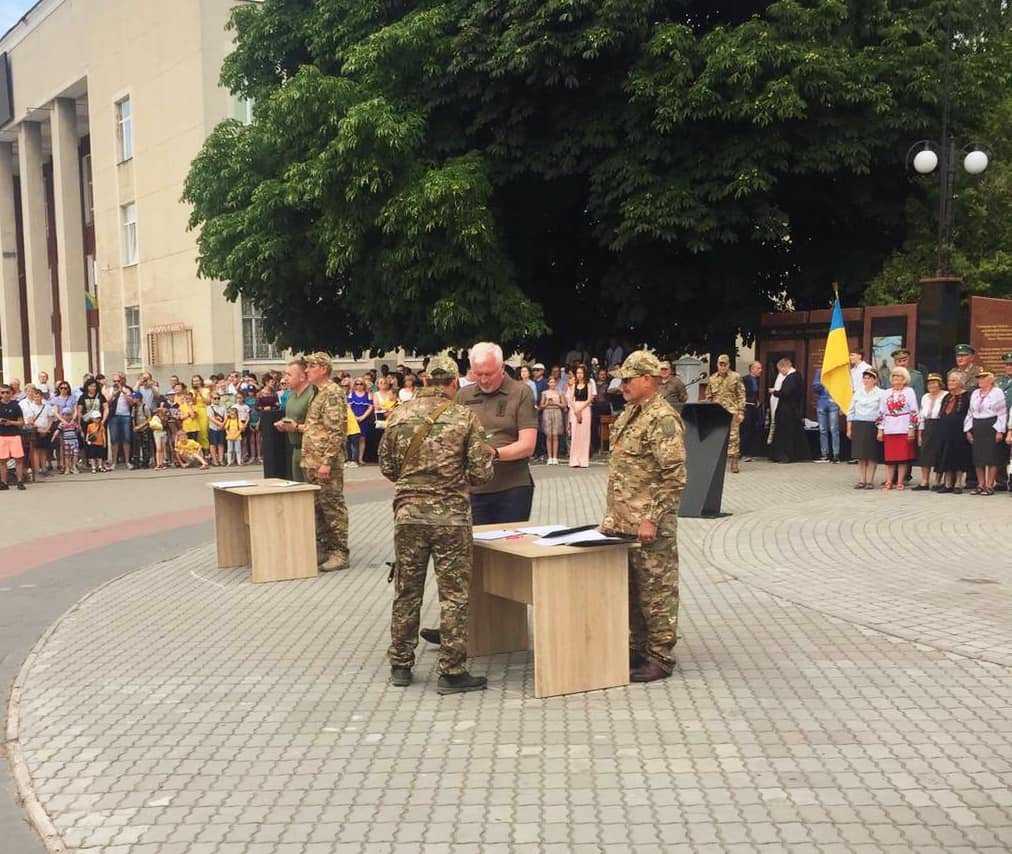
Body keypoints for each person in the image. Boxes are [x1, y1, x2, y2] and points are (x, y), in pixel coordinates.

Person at [380, 354, 495, 694]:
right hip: (451, 519)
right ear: (453, 383)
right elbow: (480, 473)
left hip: (408, 516)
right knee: (454, 596)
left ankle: (401, 664)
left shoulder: (398, 415)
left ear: (426, 381)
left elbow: (387, 466)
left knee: (407, 590)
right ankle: (452, 671)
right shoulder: (464, 418)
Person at [419, 341, 538, 648]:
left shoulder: (520, 392)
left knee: (508, 561)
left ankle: (505, 630)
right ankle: (458, 629)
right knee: (465, 562)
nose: (484, 380)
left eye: (489, 373)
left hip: (511, 487)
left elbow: (527, 445)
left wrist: (492, 453)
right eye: (478, 373)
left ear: (502, 367)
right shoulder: (463, 395)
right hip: (472, 490)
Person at [600, 351, 686, 683]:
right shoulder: (630, 415)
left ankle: (660, 656)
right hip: (623, 523)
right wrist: (611, 518)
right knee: (632, 590)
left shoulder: (662, 418)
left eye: (628, 379)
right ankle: (637, 648)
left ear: (647, 380)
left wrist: (650, 518)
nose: (622, 385)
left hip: (650, 525)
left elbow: (673, 477)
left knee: (656, 590)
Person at [298, 352, 349, 572]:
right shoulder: (318, 393)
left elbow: (336, 430)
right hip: (313, 461)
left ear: (323, 369)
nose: (307, 370)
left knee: (332, 507)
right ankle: (325, 549)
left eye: (311, 366)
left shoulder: (332, 393)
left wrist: (327, 461)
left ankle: (339, 553)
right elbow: (317, 427)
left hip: (325, 463)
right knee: (318, 507)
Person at [964, 369, 1007, 496]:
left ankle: (989, 485)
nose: (980, 380)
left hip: (991, 425)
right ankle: (980, 484)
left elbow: (1002, 412)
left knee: (991, 456)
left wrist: (1000, 430)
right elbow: (970, 413)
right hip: (977, 425)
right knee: (978, 457)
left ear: (991, 380)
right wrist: (968, 430)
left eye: (983, 378)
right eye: (979, 378)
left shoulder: (997, 392)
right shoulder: (975, 393)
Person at [876, 367, 919, 490]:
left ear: (905, 379)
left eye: (900, 378)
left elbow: (914, 411)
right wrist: (880, 429)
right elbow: (881, 412)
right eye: (894, 378)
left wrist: (911, 428)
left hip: (903, 427)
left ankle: (900, 481)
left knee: (902, 458)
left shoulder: (909, 391)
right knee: (890, 458)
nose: (897, 380)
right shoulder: (886, 392)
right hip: (889, 428)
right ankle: (889, 481)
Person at [273, 358, 315, 482]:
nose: (285, 378)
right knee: (298, 492)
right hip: (296, 449)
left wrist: (296, 427)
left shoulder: (312, 395)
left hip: (311, 451)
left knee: (311, 492)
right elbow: (293, 418)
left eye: (289, 375)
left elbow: (317, 427)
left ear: (302, 377)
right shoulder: (291, 396)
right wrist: (283, 424)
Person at [706, 355, 746, 472]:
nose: (722, 366)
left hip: (732, 412)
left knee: (733, 438)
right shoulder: (712, 378)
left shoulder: (736, 377)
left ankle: (734, 463)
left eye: (725, 364)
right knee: (716, 437)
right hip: (716, 412)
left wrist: (741, 412)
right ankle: (717, 464)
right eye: (720, 364)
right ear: (717, 365)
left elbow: (741, 395)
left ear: (729, 365)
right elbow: (709, 396)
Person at [846, 368, 884, 489]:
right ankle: (861, 480)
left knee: (872, 455)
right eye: (865, 378)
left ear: (875, 380)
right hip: (859, 424)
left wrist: (880, 430)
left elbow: (882, 413)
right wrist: (849, 428)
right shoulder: (858, 392)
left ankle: (870, 481)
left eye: (869, 378)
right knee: (861, 455)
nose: (866, 380)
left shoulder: (881, 393)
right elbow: (851, 411)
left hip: (873, 425)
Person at [936, 371, 972, 493]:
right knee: (946, 456)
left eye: (953, 380)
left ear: (961, 382)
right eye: (949, 380)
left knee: (958, 456)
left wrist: (969, 430)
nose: (950, 383)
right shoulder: (947, 396)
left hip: (959, 432)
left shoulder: (967, 396)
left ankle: (958, 484)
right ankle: (947, 484)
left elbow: (970, 414)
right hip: (945, 431)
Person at [768, 358, 809, 463]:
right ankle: (794, 455)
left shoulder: (791, 378)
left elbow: (786, 393)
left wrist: (775, 392)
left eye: (780, 370)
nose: (780, 373)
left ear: (784, 367)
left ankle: (785, 455)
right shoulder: (797, 375)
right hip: (793, 409)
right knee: (792, 433)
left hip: (787, 410)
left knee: (785, 434)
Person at [915, 373, 947, 491]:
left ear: (940, 384)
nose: (931, 385)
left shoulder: (946, 395)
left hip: (941, 425)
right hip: (927, 426)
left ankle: (938, 481)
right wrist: (919, 434)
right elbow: (921, 416)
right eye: (929, 383)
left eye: (934, 383)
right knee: (925, 453)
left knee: (940, 453)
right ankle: (924, 481)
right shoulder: (925, 397)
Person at [77, 378, 108, 474]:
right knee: (89, 443)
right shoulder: (83, 397)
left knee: (101, 443)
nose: (92, 388)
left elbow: (106, 408)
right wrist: (79, 424)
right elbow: (79, 411)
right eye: (90, 386)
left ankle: (101, 464)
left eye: (94, 386)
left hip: (99, 423)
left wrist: (103, 420)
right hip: (87, 423)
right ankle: (90, 464)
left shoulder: (101, 396)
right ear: (87, 387)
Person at [567, 364, 594, 468]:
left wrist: (580, 409)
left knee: (584, 435)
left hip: (585, 409)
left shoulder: (589, 385)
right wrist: (575, 409)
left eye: (581, 373)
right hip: (575, 409)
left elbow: (589, 399)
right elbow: (570, 398)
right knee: (575, 434)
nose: (579, 375)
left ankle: (583, 460)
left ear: (584, 374)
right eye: (577, 373)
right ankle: (574, 460)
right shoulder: (574, 385)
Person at [0, 385, 27, 490]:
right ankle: (4, 482)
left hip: (15, 435)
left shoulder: (16, 405)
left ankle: (20, 481)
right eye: (2, 392)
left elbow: (21, 422)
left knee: (18, 459)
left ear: (11, 393)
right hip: (2, 435)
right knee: (2, 460)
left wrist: (10, 422)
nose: (5, 395)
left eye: (7, 392)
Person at [812, 368, 841, 463]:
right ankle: (825, 454)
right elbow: (815, 387)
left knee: (834, 429)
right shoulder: (820, 371)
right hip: (822, 402)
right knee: (822, 430)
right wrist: (824, 382)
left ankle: (836, 454)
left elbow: (843, 387)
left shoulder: (838, 371)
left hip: (834, 402)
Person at [106, 377, 135, 470]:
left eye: (118, 381)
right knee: (114, 439)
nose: (116, 383)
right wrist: (115, 394)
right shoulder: (110, 390)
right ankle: (114, 462)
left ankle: (127, 462)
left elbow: (131, 403)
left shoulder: (127, 390)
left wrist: (123, 392)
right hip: (113, 416)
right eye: (114, 381)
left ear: (122, 381)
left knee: (126, 439)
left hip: (125, 416)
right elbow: (107, 402)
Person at [539, 375, 566, 465]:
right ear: (548, 383)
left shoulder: (560, 392)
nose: (552, 384)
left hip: (557, 412)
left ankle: (555, 457)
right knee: (549, 436)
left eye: (554, 382)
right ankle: (549, 457)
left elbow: (564, 405)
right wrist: (547, 403)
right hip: (547, 413)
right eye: (550, 382)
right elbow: (541, 406)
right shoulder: (544, 393)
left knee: (555, 435)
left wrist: (556, 403)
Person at [741, 361, 766, 460]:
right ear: (752, 369)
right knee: (745, 430)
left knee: (753, 429)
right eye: (759, 368)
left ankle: (751, 452)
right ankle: (744, 452)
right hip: (747, 408)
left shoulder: (758, 380)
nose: (761, 370)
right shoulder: (745, 379)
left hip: (754, 408)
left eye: (761, 368)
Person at [997, 352, 1012, 491]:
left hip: (1011, 420)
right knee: (1000, 452)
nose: (1009, 367)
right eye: (1007, 364)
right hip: (1000, 421)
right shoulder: (1000, 381)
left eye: (1011, 364)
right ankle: (1001, 481)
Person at [208, 391, 228, 466]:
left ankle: (221, 459)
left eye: (218, 398)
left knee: (221, 444)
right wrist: (220, 424)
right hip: (213, 428)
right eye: (215, 398)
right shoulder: (209, 407)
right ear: (211, 399)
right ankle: (214, 460)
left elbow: (226, 416)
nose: (217, 400)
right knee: (213, 444)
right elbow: (211, 417)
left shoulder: (223, 407)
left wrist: (223, 424)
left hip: (221, 428)